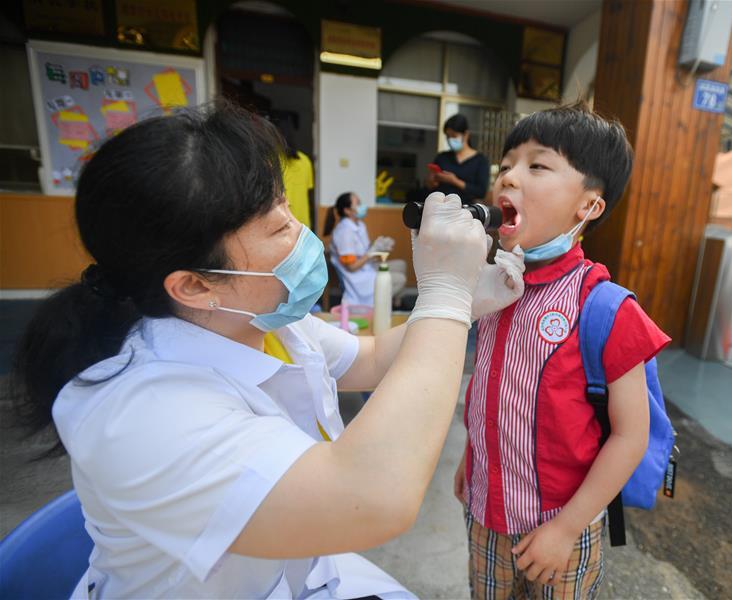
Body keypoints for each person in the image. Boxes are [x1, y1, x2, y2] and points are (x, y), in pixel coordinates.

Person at [11, 101, 525, 598]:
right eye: (278, 226)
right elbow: (372, 497)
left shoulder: (263, 321)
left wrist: (469, 303)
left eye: (285, 206)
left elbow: (368, 359)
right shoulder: (139, 415)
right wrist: (444, 296)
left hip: (292, 575)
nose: (301, 232)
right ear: (193, 286)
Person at [452, 102, 672, 599]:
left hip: (561, 532)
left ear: (589, 206)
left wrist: (566, 529)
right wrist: (472, 461)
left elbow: (630, 436)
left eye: (537, 165)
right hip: (486, 514)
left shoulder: (605, 307)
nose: (509, 176)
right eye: (506, 164)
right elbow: (491, 388)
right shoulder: (494, 286)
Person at [323, 192, 406, 307]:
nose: (362, 207)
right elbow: (352, 267)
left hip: (366, 268)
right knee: (400, 279)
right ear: (347, 210)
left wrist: (380, 245)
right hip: (358, 278)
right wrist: (372, 251)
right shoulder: (344, 232)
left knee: (401, 265)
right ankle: (381, 304)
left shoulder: (359, 225)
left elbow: (363, 248)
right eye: (358, 204)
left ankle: (392, 303)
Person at [425, 114, 490, 205]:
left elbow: (481, 192)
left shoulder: (480, 161)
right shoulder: (442, 157)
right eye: (448, 136)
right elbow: (430, 185)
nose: (450, 139)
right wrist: (431, 181)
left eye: (454, 136)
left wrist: (454, 181)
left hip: (467, 211)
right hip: (441, 208)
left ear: (466, 135)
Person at [275, 117, 315, 229]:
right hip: (303, 222)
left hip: (282, 222)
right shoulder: (305, 160)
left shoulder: (272, 161)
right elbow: (308, 190)